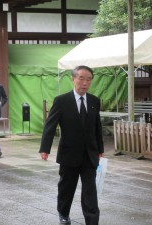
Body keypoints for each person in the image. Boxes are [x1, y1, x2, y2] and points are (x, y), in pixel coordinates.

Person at [39, 65, 104, 225]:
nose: (85, 83)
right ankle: (63, 213)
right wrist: (45, 148)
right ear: (73, 79)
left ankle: (92, 220)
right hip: (69, 154)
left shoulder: (94, 101)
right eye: (81, 78)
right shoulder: (62, 101)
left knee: (90, 191)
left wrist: (100, 149)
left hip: (89, 155)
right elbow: (50, 125)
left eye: (88, 79)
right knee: (66, 188)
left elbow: (97, 127)